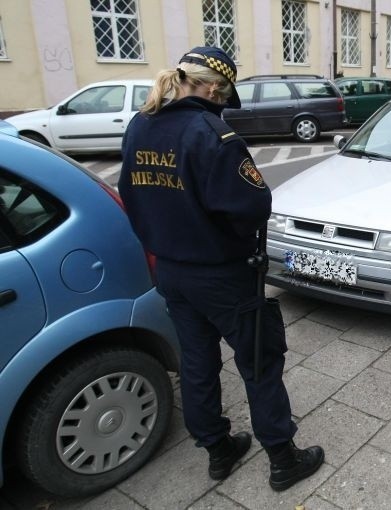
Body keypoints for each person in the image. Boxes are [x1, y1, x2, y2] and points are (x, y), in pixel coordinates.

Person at [118, 46, 324, 491]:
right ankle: (283, 458)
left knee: (196, 361)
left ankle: (218, 449)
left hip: (171, 272)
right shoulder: (212, 133)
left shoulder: (140, 125)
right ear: (213, 88)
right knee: (259, 361)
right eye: (224, 94)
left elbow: (130, 197)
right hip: (222, 275)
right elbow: (253, 205)